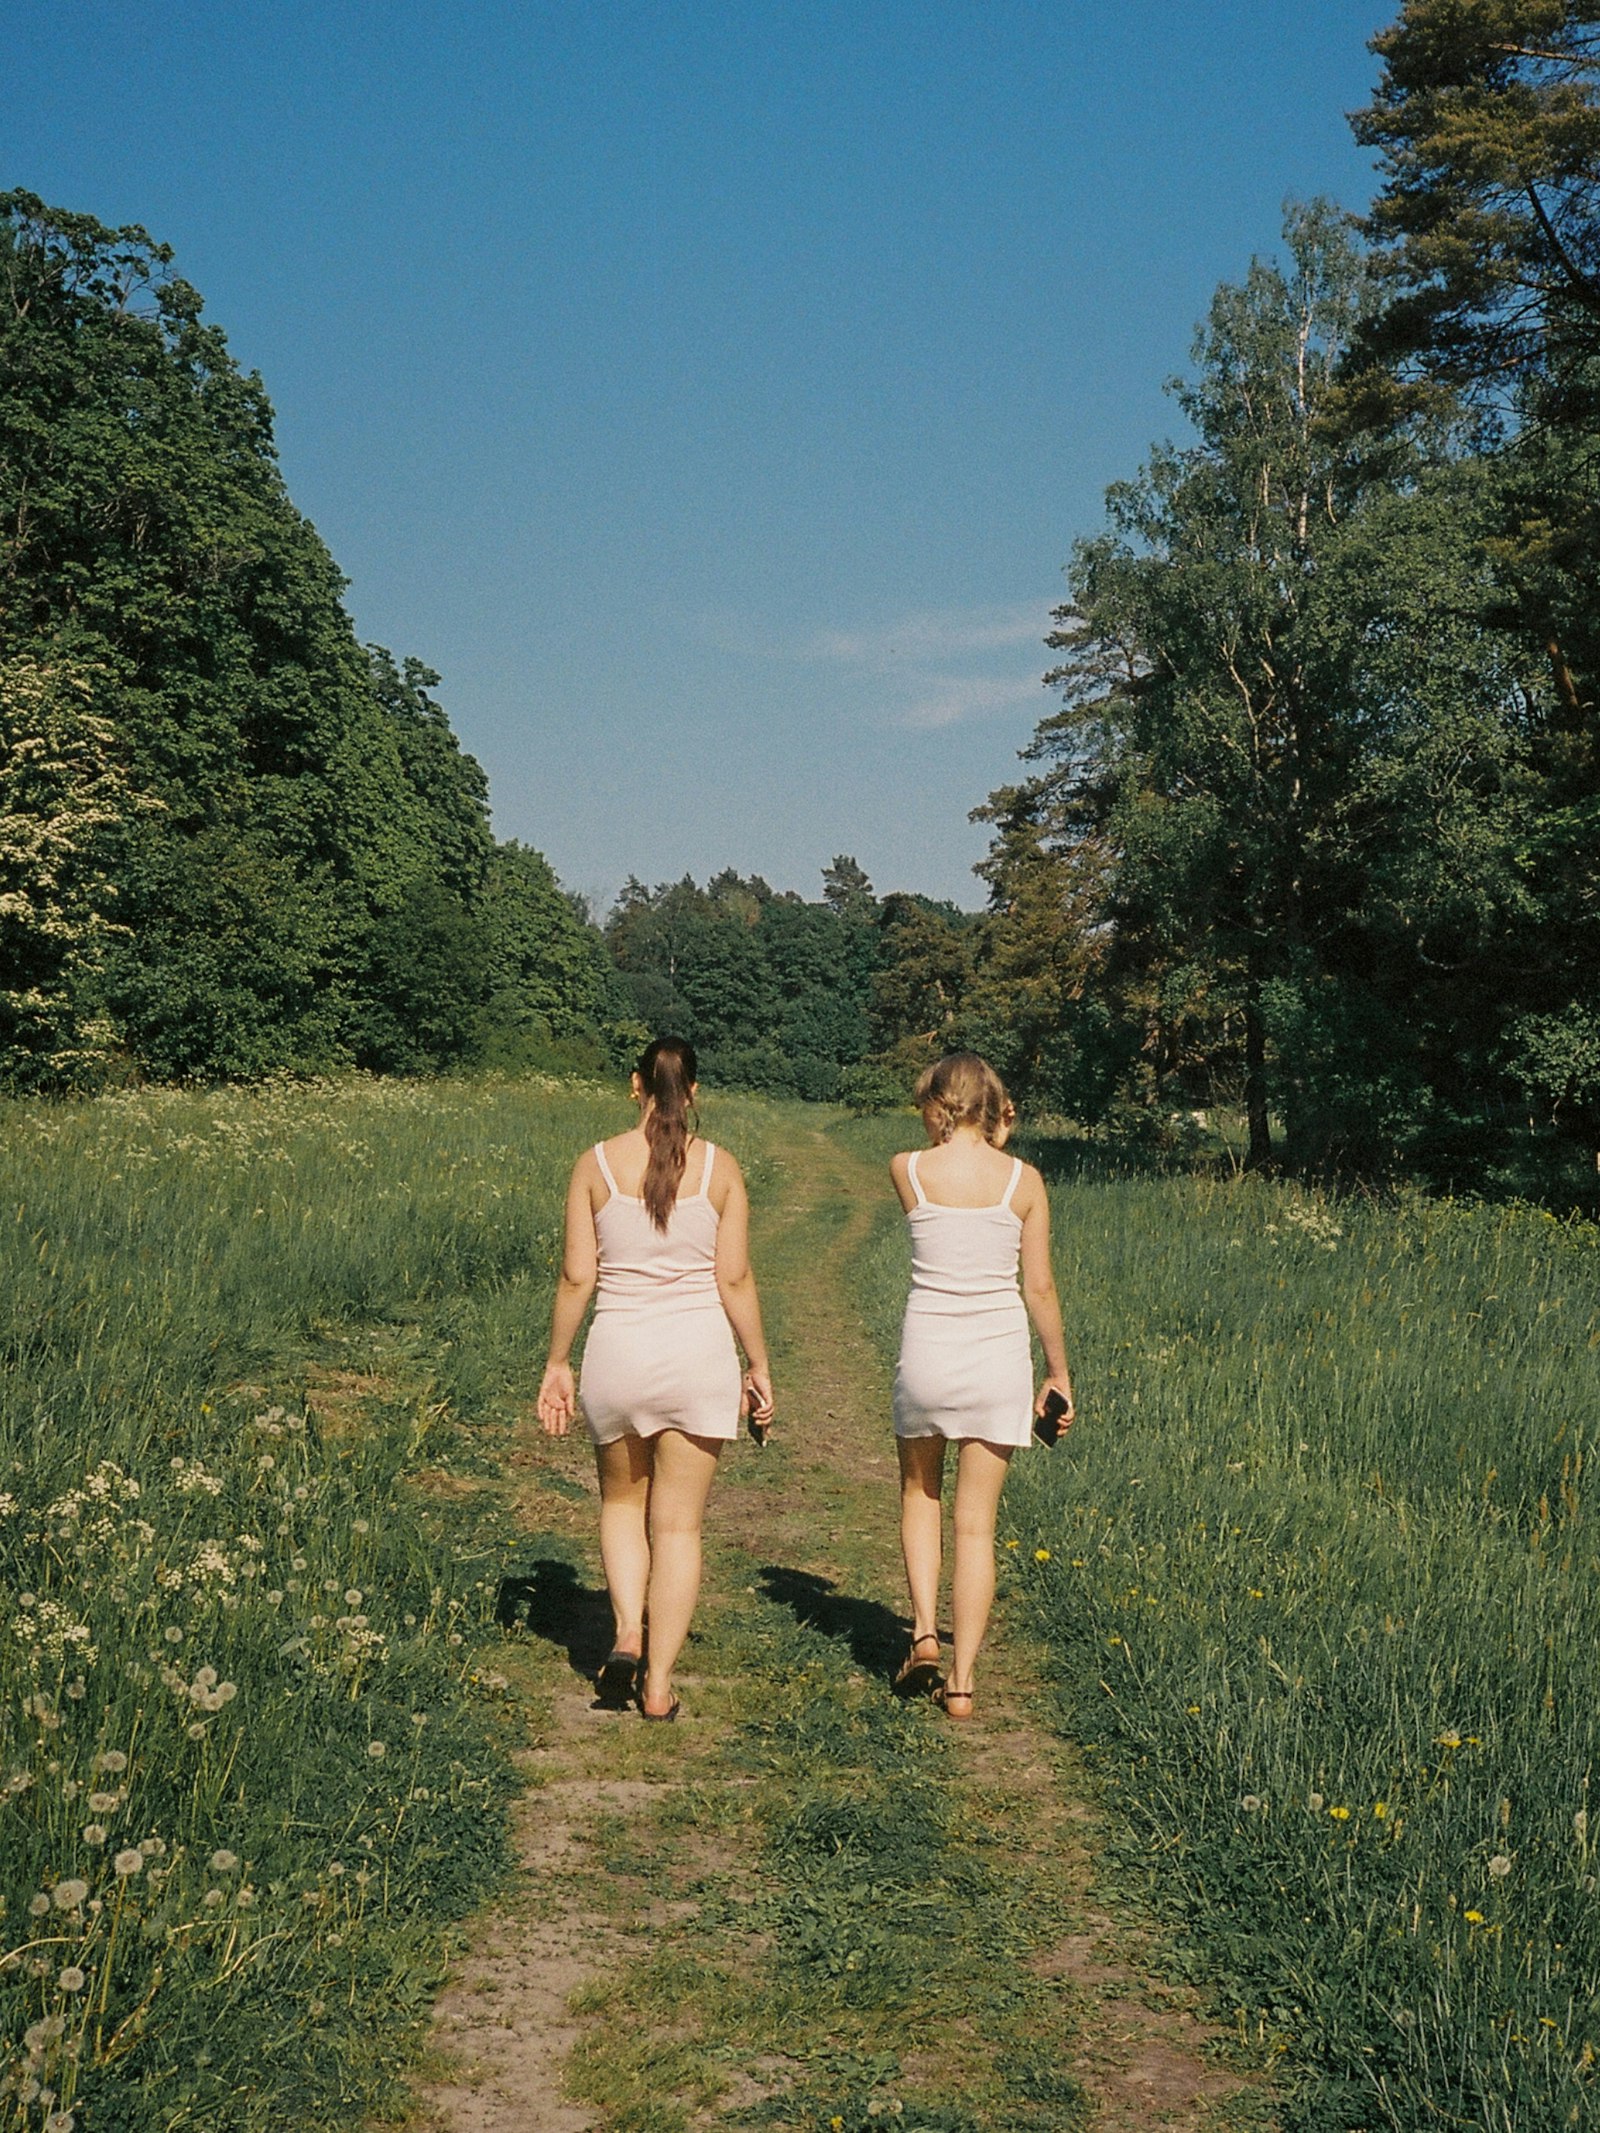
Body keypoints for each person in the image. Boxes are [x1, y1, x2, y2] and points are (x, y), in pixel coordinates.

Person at [537, 1036, 773, 1720]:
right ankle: (660, 1686)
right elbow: (733, 1277)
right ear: (693, 1092)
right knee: (678, 1528)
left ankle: (628, 1633)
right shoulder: (720, 1170)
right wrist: (758, 1363)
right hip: (698, 1359)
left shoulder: (596, 1165)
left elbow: (578, 1276)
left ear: (635, 1084)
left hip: (618, 1354)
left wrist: (557, 1361)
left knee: (619, 1505)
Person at [889, 1053, 1073, 1720]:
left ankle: (924, 1632)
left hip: (928, 1352)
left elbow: (947, 1166)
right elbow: (1040, 1287)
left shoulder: (907, 1170)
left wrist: (972, 1132)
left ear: (938, 1105)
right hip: (997, 1361)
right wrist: (1058, 1373)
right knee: (977, 1526)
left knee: (920, 1493)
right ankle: (962, 1682)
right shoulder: (1024, 1182)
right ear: (997, 1108)